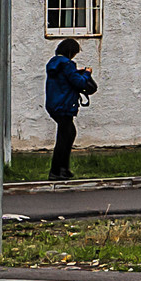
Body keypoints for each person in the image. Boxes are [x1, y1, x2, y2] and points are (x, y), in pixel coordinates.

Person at [44, 39, 96, 180]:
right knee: (64, 137)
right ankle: (56, 171)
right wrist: (87, 73)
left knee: (69, 133)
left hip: (54, 105)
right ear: (70, 52)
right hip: (65, 105)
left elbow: (65, 78)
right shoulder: (67, 65)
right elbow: (79, 82)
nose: (74, 56)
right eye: (74, 53)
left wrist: (75, 71)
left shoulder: (54, 63)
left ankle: (63, 169)